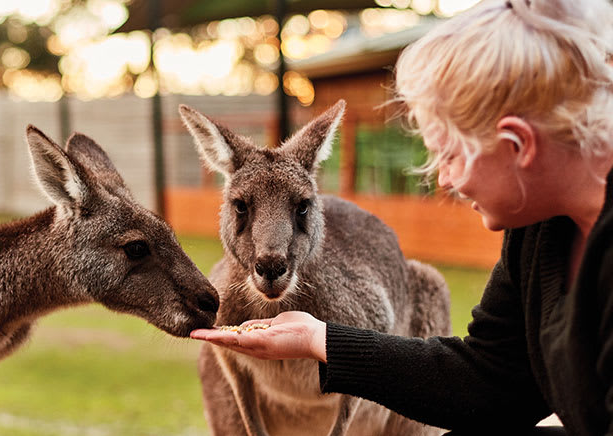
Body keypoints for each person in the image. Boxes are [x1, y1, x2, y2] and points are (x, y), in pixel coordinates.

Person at [190, 0, 613, 434]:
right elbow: (490, 379)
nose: (444, 180)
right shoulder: (539, 231)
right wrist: (321, 339)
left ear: (517, 145)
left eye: (447, 156)